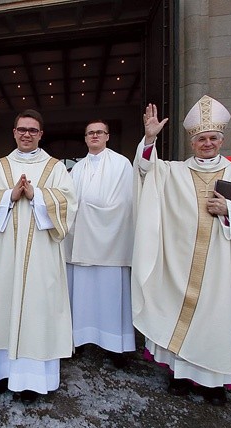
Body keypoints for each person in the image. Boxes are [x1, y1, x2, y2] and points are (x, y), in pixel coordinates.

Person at [132, 97, 231, 406]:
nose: (207, 143)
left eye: (212, 138)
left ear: (221, 140)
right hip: (180, 265)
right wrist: (150, 138)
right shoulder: (174, 173)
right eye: (201, 139)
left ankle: (215, 383)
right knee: (177, 314)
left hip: (222, 268)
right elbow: (145, 172)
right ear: (192, 142)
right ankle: (180, 377)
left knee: (217, 322)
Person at [0, 109, 77, 404]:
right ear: (14, 132)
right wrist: (9, 196)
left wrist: (37, 196)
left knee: (38, 311)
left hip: (42, 257)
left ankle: (33, 381)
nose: (27, 134)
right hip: (4, 254)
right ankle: (0, 374)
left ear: (41, 134)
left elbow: (70, 203)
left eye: (33, 130)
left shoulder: (55, 167)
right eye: (22, 129)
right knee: (1, 307)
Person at [64, 119, 135, 368]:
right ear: (85, 138)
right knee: (80, 295)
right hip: (80, 242)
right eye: (90, 133)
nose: (94, 136)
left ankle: (115, 347)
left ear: (107, 136)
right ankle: (80, 339)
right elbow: (68, 202)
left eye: (99, 132)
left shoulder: (121, 164)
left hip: (110, 243)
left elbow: (126, 202)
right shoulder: (77, 168)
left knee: (110, 296)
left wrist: (90, 212)